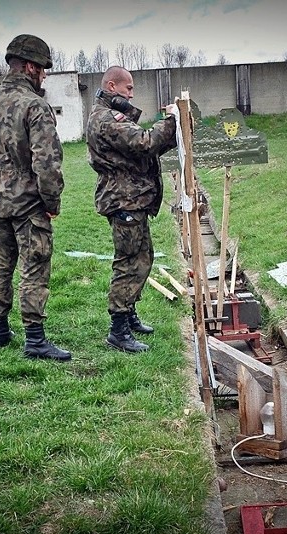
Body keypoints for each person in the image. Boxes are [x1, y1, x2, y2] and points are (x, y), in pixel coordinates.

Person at [0, 34, 71, 362]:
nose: (43, 75)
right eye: (42, 69)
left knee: (0, 265)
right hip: (28, 206)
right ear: (29, 66)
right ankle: (35, 340)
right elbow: (47, 162)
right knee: (34, 267)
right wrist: (51, 203)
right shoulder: (35, 105)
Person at [86, 66, 178, 353]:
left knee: (143, 257)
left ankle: (129, 315)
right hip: (124, 199)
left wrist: (169, 132)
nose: (132, 94)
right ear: (112, 86)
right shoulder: (107, 119)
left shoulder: (110, 115)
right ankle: (118, 330)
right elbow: (144, 142)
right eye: (129, 89)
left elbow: (144, 149)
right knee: (129, 263)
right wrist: (172, 121)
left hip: (132, 199)